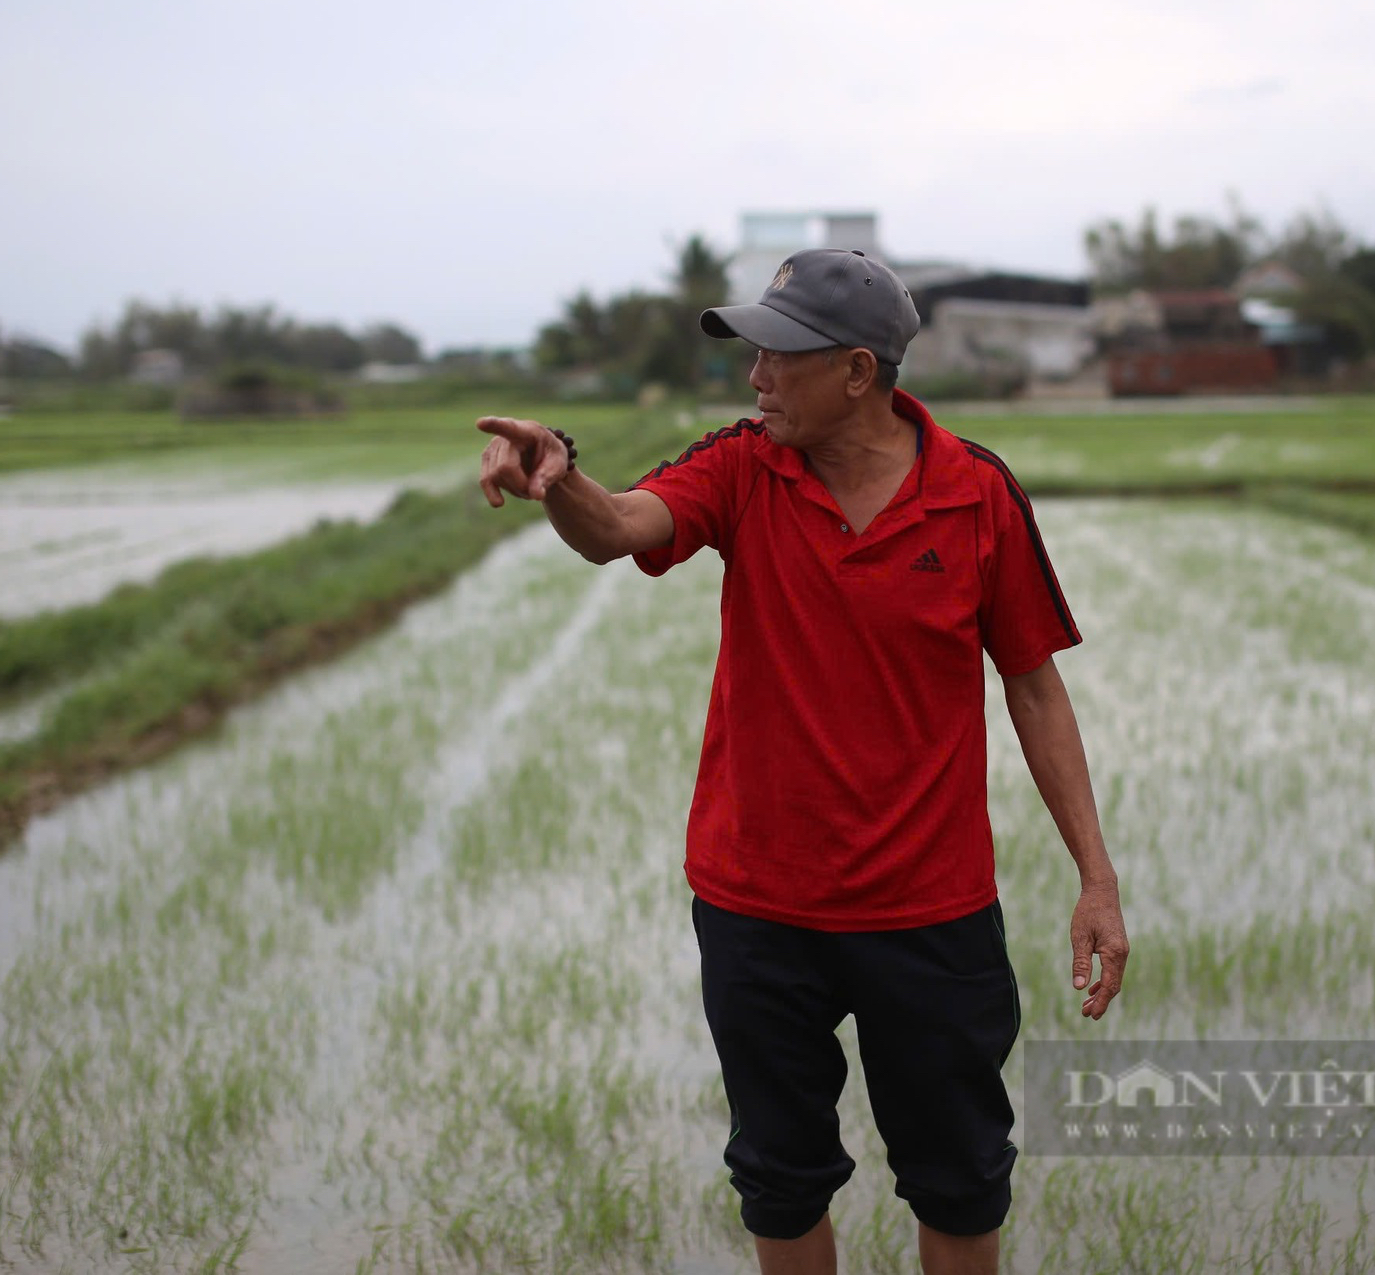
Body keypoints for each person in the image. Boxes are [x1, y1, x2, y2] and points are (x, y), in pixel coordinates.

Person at [476, 247, 1128, 1275]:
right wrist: (557, 472)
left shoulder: (973, 495)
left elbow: (1034, 686)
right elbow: (617, 528)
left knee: (959, 1177)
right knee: (779, 1180)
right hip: (759, 908)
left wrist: (1094, 875)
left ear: (858, 371)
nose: (755, 377)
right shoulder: (740, 466)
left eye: (777, 355)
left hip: (931, 909)